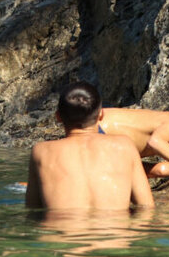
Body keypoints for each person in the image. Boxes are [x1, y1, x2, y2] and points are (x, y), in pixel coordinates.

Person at [25, 82, 155, 212]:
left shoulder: (42, 151)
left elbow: (33, 209)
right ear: (101, 115)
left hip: (64, 231)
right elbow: (146, 207)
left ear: (58, 117)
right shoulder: (124, 146)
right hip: (115, 230)